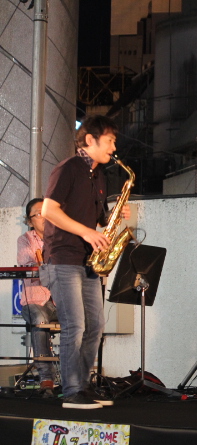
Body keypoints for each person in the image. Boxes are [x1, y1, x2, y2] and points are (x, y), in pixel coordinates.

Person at [41, 115, 129, 409]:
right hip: (63, 258)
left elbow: (99, 220)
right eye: (110, 140)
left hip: (88, 261)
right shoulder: (68, 168)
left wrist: (115, 214)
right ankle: (71, 391)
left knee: (96, 326)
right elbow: (49, 210)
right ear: (90, 139)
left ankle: (83, 385)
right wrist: (86, 232)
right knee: (75, 326)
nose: (114, 147)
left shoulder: (99, 175)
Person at [17, 198, 58, 398]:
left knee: (83, 317)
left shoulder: (61, 238)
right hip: (35, 301)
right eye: (39, 213)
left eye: (47, 212)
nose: (44, 217)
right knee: (40, 320)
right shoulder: (25, 240)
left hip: (59, 300)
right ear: (30, 220)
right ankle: (46, 378)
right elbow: (29, 263)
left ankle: (77, 376)